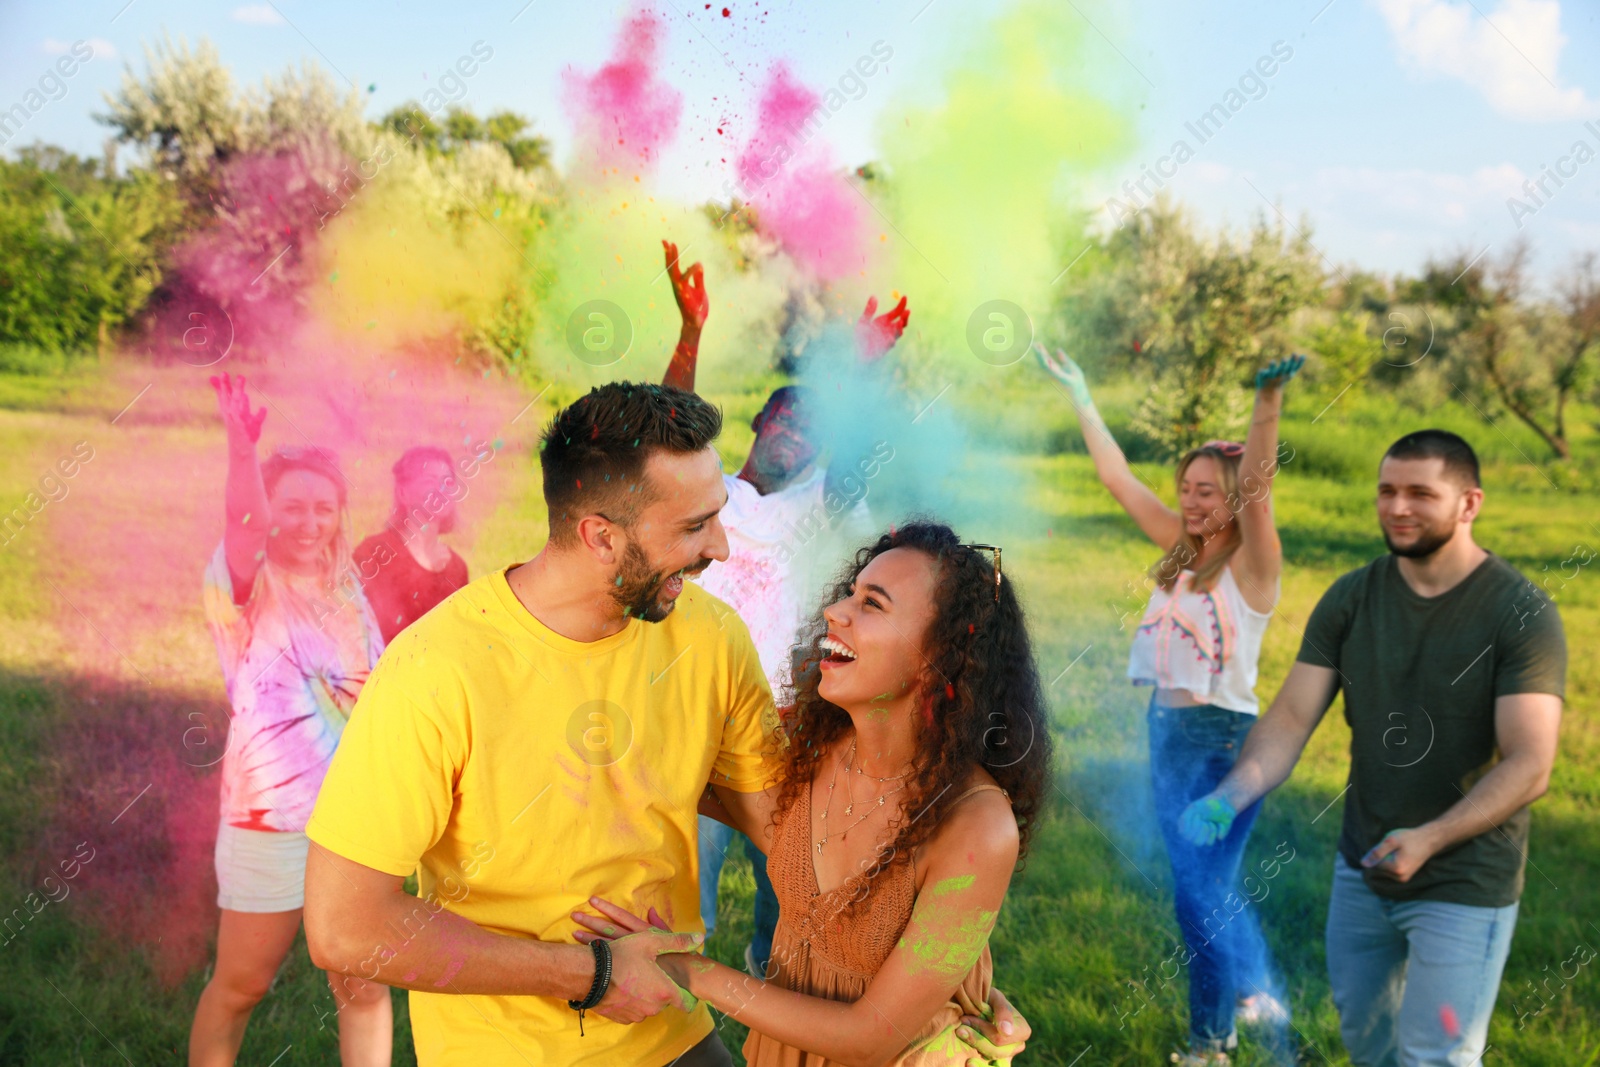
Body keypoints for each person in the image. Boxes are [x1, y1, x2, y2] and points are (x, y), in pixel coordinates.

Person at [304, 382, 773, 1067]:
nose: (722, 549)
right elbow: (344, 926)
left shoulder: (710, 635)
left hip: (674, 1032)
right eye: (694, 526)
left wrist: (939, 987)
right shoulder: (437, 669)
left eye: (718, 516)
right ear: (601, 537)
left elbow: (793, 837)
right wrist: (593, 975)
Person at [575, 522, 1043, 1066]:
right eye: (851, 591)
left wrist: (685, 967)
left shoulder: (977, 826)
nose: (836, 611)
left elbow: (872, 1037)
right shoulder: (811, 750)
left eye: (873, 604)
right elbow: (673, 774)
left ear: (941, 654)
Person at [1180, 430, 1567, 1067]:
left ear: (1469, 503)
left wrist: (1430, 839)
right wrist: (1229, 795)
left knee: (1436, 1055)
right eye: (1387, 490)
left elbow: (1531, 762)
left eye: (1421, 493)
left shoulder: (1519, 611)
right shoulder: (1353, 597)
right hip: (1362, 869)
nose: (1397, 507)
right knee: (1367, 1041)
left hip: (1465, 882)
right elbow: (1290, 718)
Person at [1036, 343, 1304, 1066]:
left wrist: (1267, 405)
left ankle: (1212, 1042)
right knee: (1206, 884)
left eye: (1208, 490)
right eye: (1186, 486)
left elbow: (1259, 486)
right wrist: (1082, 391)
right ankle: (1251, 991)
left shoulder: (1253, 565)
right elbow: (1116, 477)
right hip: (1168, 732)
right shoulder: (1181, 552)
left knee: (1198, 899)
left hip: (1219, 741)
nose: (1192, 499)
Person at [660, 238, 909, 978]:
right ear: (760, 421)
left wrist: (864, 373)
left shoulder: (827, 503)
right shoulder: (712, 498)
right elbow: (665, 430)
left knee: (793, 887)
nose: (795, 436)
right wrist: (692, 330)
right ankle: (678, 992)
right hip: (695, 724)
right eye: (786, 420)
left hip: (791, 729)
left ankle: (773, 980)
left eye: (812, 433)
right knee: (681, 892)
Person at [192, 373, 391, 1066]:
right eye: (293, 506)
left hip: (354, 820)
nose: (310, 522)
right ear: (269, 511)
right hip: (271, 821)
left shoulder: (346, 585)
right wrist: (241, 447)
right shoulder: (244, 585)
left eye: (325, 508)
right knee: (242, 983)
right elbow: (242, 519)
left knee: (363, 983)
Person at [354, 445, 471, 644]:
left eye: (448, 482)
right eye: (429, 481)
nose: (441, 490)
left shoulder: (457, 568)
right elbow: (360, 630)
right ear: (403, 493)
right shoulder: (375, 552)